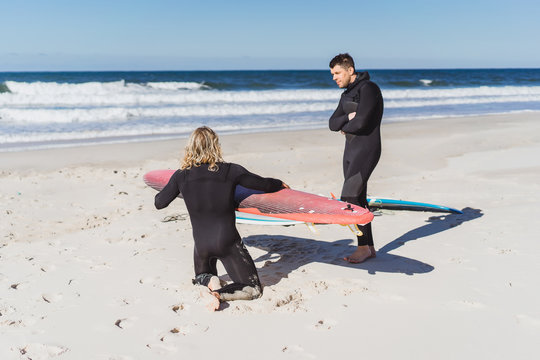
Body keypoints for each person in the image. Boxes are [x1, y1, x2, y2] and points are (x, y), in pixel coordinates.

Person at [154, 126, 288, 310]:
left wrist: (178, 187)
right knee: (253, 289)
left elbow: (159, 203)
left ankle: (209, 281)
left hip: (201, 246)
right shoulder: (231, 171)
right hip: (227, 242)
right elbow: (263, 184)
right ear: (215, 146)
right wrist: (279, 183)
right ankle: (219, 294)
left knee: (202, 276)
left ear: (190, 148)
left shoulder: (181, 176)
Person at [328, 53, 384, 264]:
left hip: (367, 148)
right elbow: (332, 123)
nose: (334, 77)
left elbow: (361, 123)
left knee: (350, 197)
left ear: (350, 70)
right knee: (358, 198)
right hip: (351, 151)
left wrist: (348, 124)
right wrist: (347, 119)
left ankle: (362, 247)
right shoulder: (346, 95)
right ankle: (368, 247)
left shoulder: (369, 89)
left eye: (337, 73)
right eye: (332, 74)